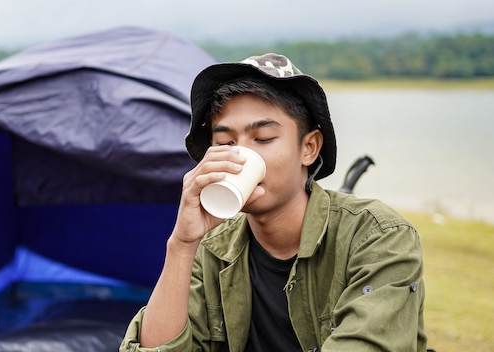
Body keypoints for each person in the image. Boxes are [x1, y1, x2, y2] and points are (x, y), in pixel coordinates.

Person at [119, 53, 428, 351]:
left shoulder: (378, 237)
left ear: (309, 148)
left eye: (263, 138)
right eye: (225, 143)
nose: (239, 156)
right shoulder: (211, 249)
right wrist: (182, 244)